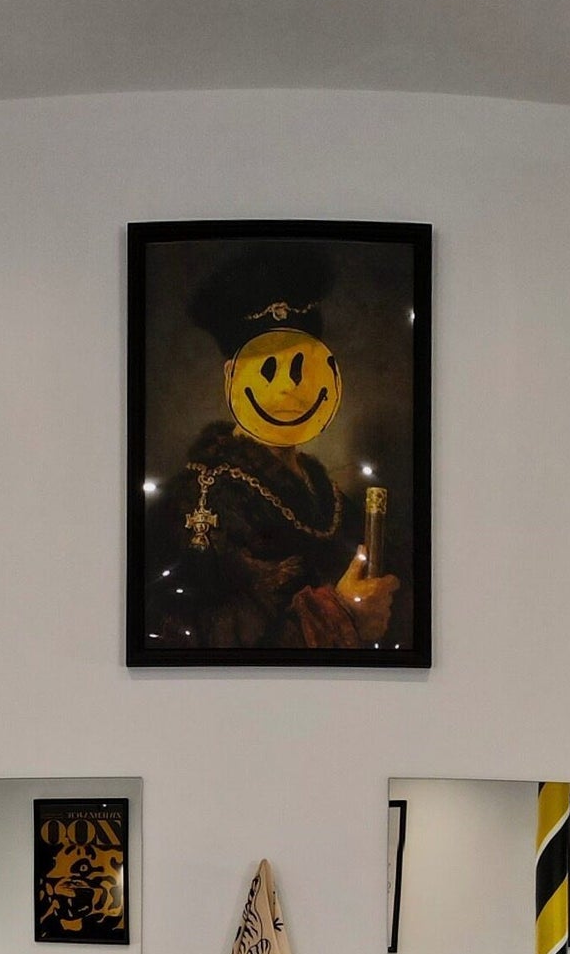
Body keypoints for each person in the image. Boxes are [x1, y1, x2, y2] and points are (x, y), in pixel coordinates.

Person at [152, 242, 402, 653]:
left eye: (302, 367)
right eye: (268, 368)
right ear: (232, 375)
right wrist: (342, 614)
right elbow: (206, 641)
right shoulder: (202, 498)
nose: (288, 386)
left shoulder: (329, 495)